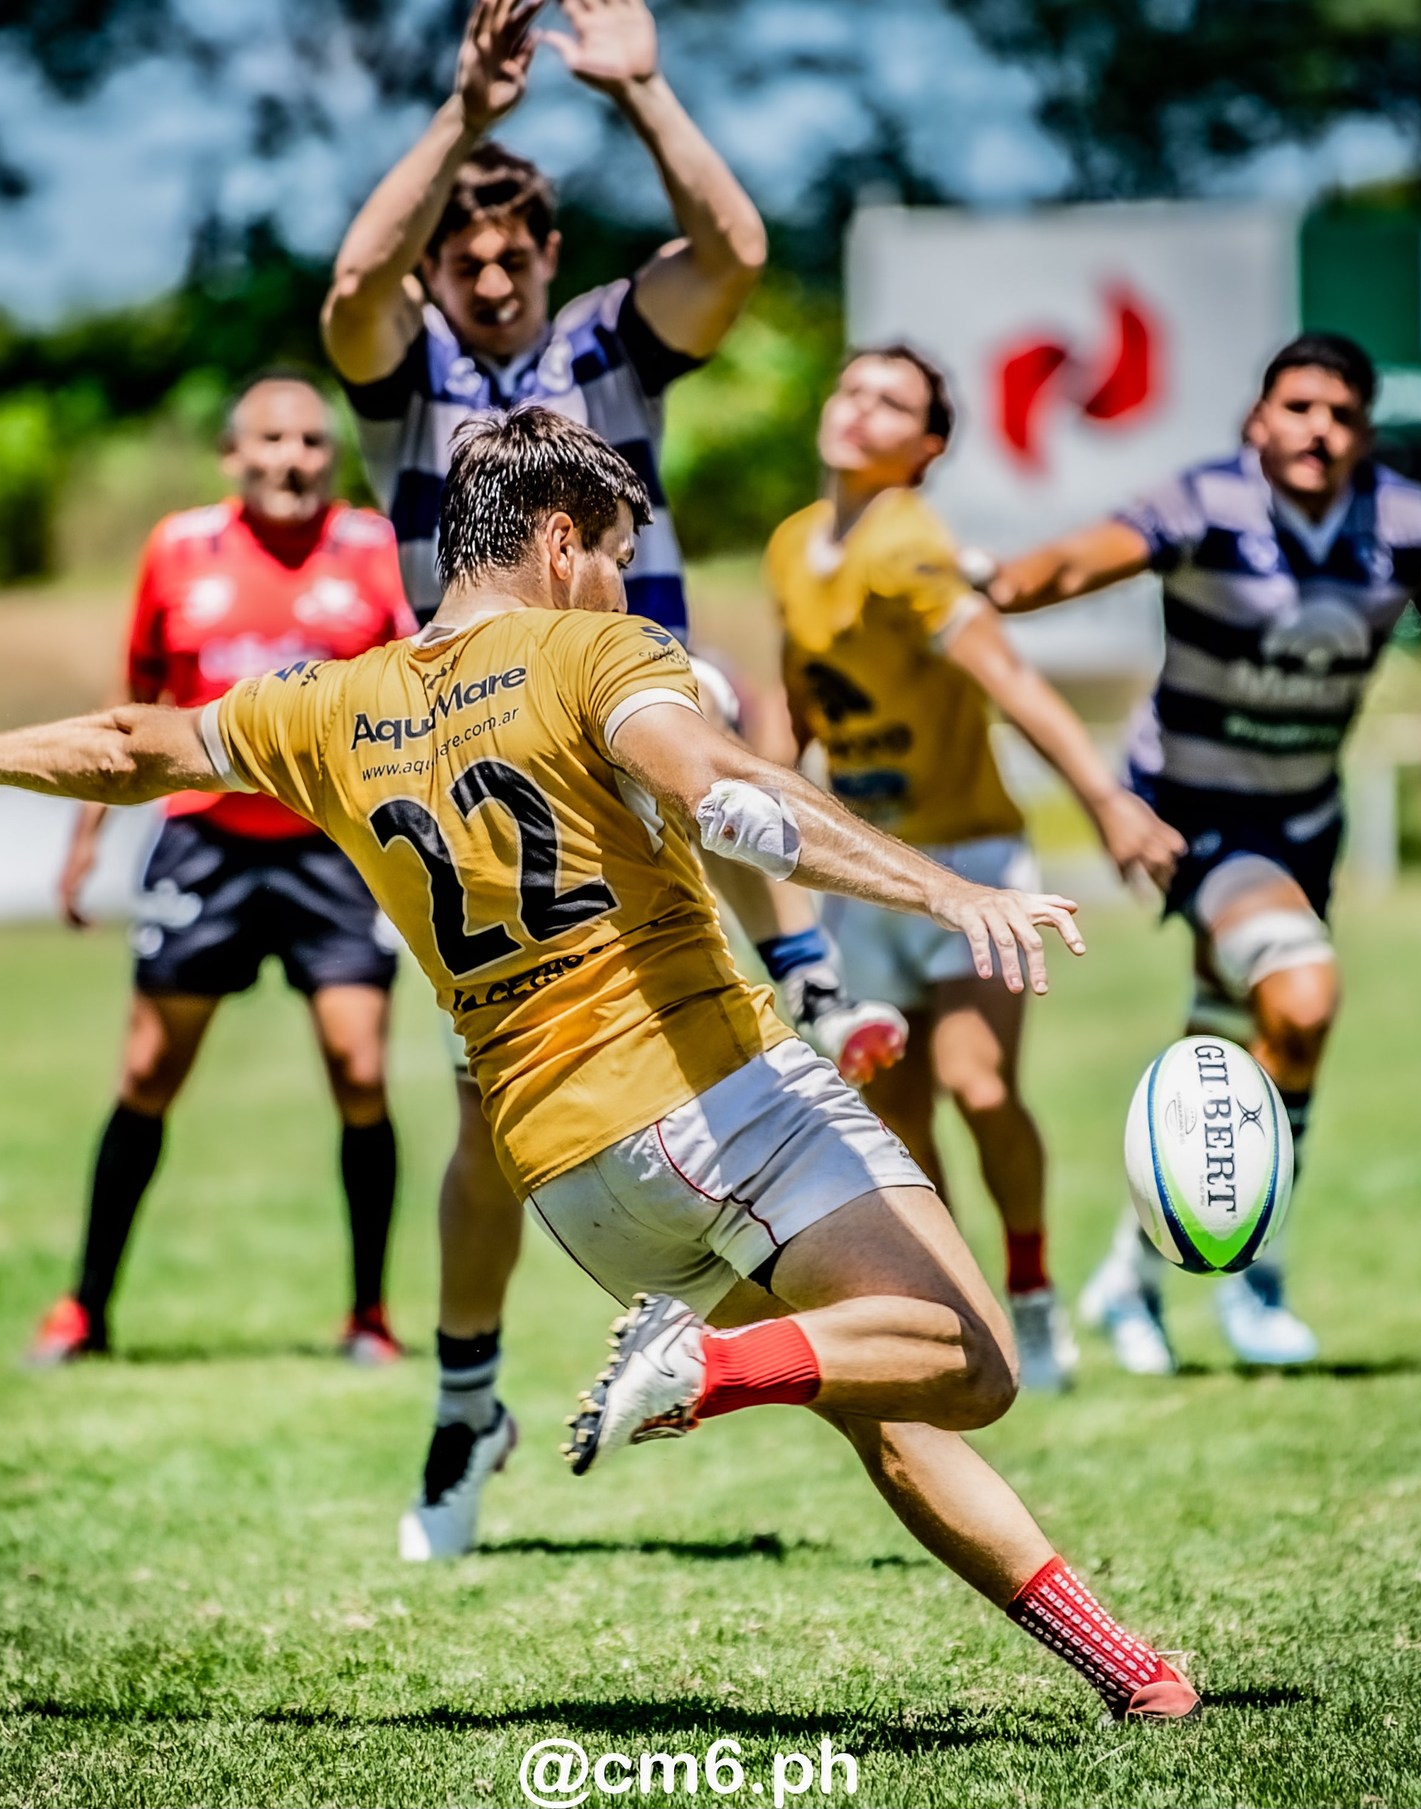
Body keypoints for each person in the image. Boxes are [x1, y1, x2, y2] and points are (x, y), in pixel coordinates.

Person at [0, 406, 1200, 1724]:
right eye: (612, 556)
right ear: (561, 542)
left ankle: (1127, 1668)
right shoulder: (594, 655)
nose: (620, 585)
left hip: (571, 1184)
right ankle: (706, 1368)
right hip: (720, 1099)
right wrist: (943, 894)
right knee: (966, 1361)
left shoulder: (332, 701)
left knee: (869, 1391)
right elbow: (722, 788)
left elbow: (137, 744)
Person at [320, 0, 901, 1556]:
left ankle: (810, 974)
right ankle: (463, 1403)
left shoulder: (606, 343)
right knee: (482, 1126)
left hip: (644, 717)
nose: (491, 279)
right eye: (468, 258)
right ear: (443, 262)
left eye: (514, 256)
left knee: (717, 707)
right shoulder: (408, 373)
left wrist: (643, 88)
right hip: (486, 767)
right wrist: (458, 116)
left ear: (552, 254)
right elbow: (349, 287)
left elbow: (737, 252)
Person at [986, 332, 1421, 1373]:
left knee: (1222, 1049)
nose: (1318, 429)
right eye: (1298, 407)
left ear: (1363, 432)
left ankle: (1130, 1279)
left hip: (1305, 820)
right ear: (1255, 421)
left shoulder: (1404, 524)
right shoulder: (1202, 504)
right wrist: (985, 583)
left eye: (1340, 414)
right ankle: (1253, 1279)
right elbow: (1069, 561)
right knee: (1302, 1000)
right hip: (1193, 814)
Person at [764, 345, 1186, 1391]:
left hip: (969, 866)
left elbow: (1006, 675)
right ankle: (968, 1319)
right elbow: (798, 696)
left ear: (928, 447)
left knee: (975, 1082)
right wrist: (760, 801)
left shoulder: (907, 544)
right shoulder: (789, 545)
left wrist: (1105, 802)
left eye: (891, 402)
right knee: (898, 1122)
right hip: (867, 873)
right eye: (850, 386)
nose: (859, 409)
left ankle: (1035, 1297)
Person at [25, 370, 420, 1367]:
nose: (292, 459)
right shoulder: (177, 549)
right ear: (231, 455)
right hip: (203, 841)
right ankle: (83, 1310)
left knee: (360, 1070)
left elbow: (421, 700)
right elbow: (131, 704)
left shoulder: (373, 550)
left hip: (333, 845)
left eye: (311, 443)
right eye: (272, 441)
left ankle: (368, 1316)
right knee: (150, 1071)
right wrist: (84, 841)